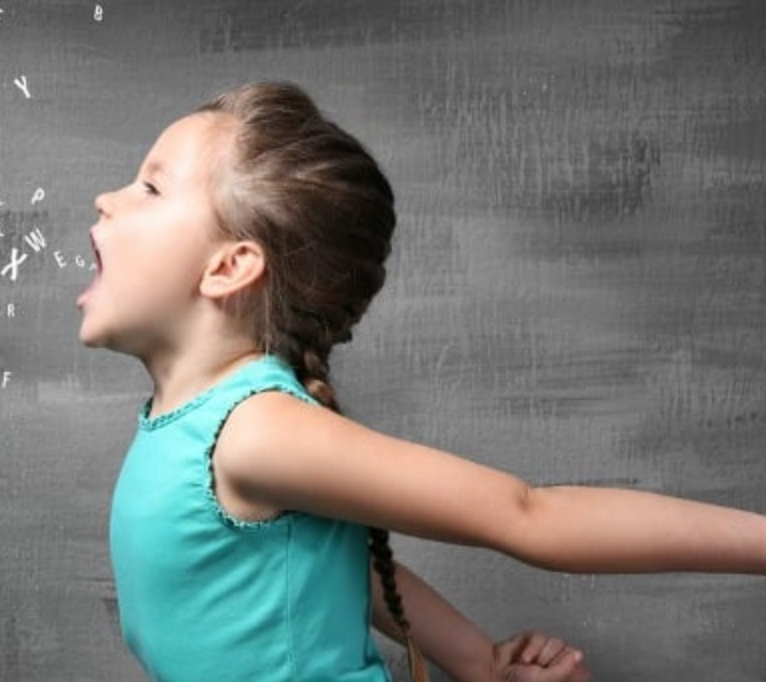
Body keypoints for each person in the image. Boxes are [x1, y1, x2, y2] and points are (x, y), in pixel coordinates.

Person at [75, 81, 766, 682]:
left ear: (229, 267)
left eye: (150, 187)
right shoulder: (198, 421)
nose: (107, 200)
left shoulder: (252, 430)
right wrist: (478, 659)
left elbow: (529, 514)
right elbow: (321, 564)